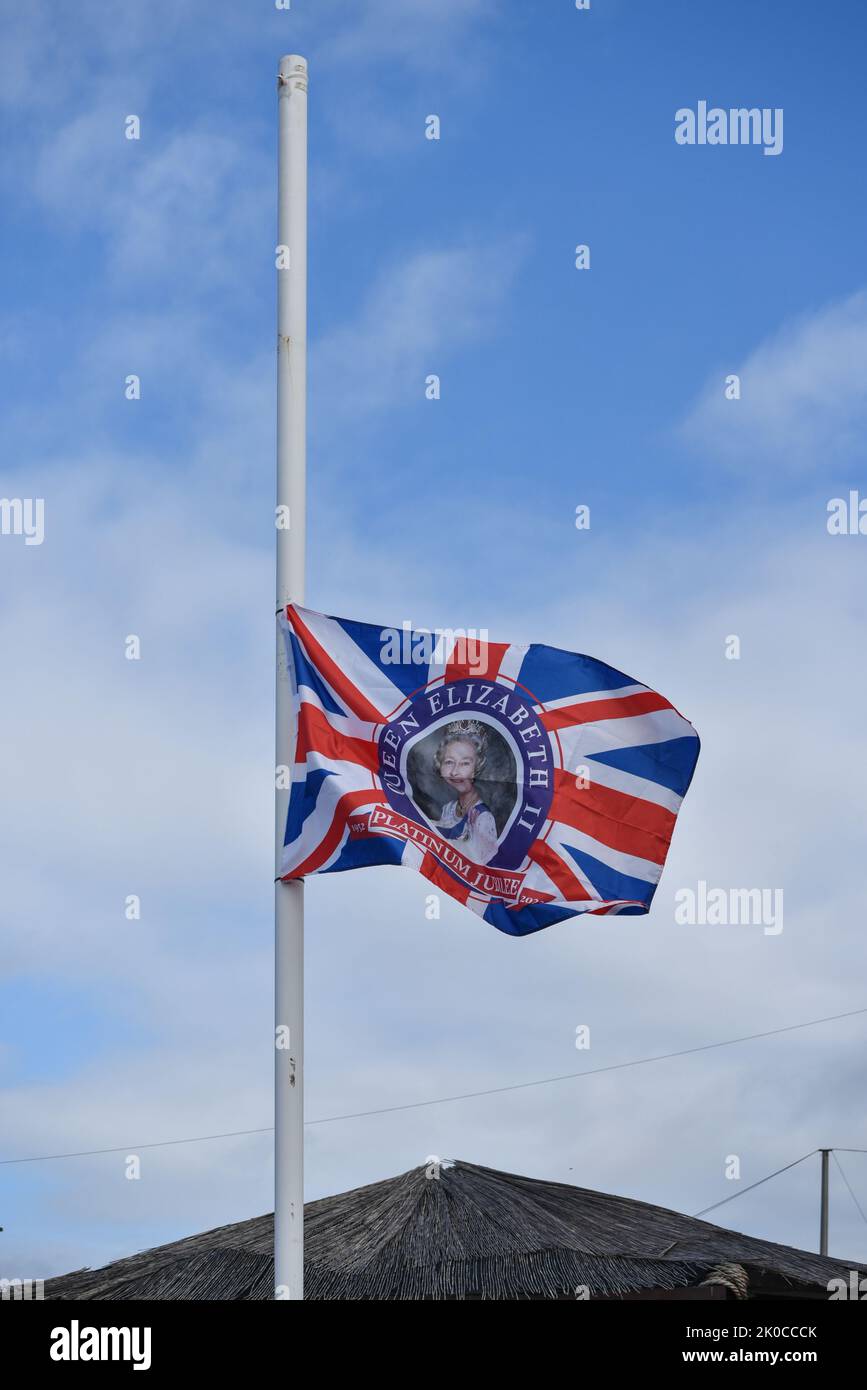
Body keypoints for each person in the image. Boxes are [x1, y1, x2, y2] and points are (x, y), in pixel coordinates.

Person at [433, 720, 498, 865]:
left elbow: (485, 868)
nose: (455, 772)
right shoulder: (448, 808)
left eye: (465, 763)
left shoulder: (483, 817)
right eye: (449, 762)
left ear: (478, 767)